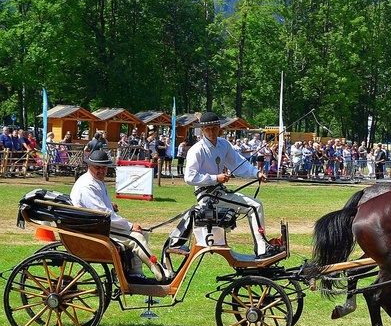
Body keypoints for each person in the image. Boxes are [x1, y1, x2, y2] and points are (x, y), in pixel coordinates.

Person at [184, 112, 279, 258]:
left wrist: (256, 174)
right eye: (208, 129)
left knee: (255, 205)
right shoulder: (197, 150)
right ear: (202, 130)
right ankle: (262, 249)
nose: (211, 132)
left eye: (214, 128)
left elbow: (239, 163)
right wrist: (216, 178)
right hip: (207, 196)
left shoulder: (223, 144)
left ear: (219, 128)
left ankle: (261, 247)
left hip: (219, 192)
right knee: (254, 206)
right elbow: (189, 177)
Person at [70, 150, 171, 282]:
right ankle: (159, 273)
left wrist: (110, 205)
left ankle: (135, 273)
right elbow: (104, 215)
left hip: (97, 224)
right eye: (97, 167)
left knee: (142, 233)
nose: (101, 170)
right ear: (89, 166)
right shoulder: (88, 185)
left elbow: (98, 207)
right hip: (94, 229)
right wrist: (130, 226)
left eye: (104, 167)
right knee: (137, 238)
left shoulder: (94, 180)